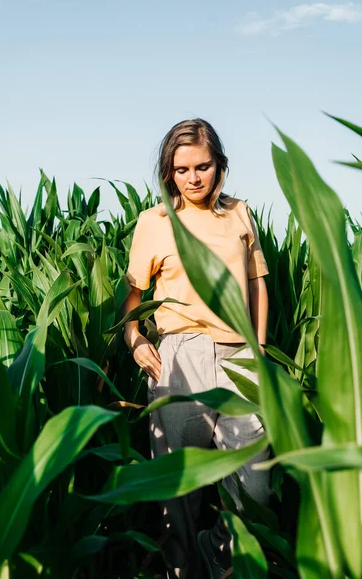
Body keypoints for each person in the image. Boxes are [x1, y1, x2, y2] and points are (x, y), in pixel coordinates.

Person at [123, 119, 271, 579]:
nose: (193, 177)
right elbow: (132, 297)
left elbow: (257, 284)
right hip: (179, 359)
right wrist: (135, 338)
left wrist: (260, 351)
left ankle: (224, 558)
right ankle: (182, 570)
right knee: (177, 490)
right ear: (169, 171)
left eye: (202, 166)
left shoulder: (239, 214)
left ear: (218, 166)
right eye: (182, 168)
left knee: (254, 486)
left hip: (239, 359)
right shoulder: (154, 222)